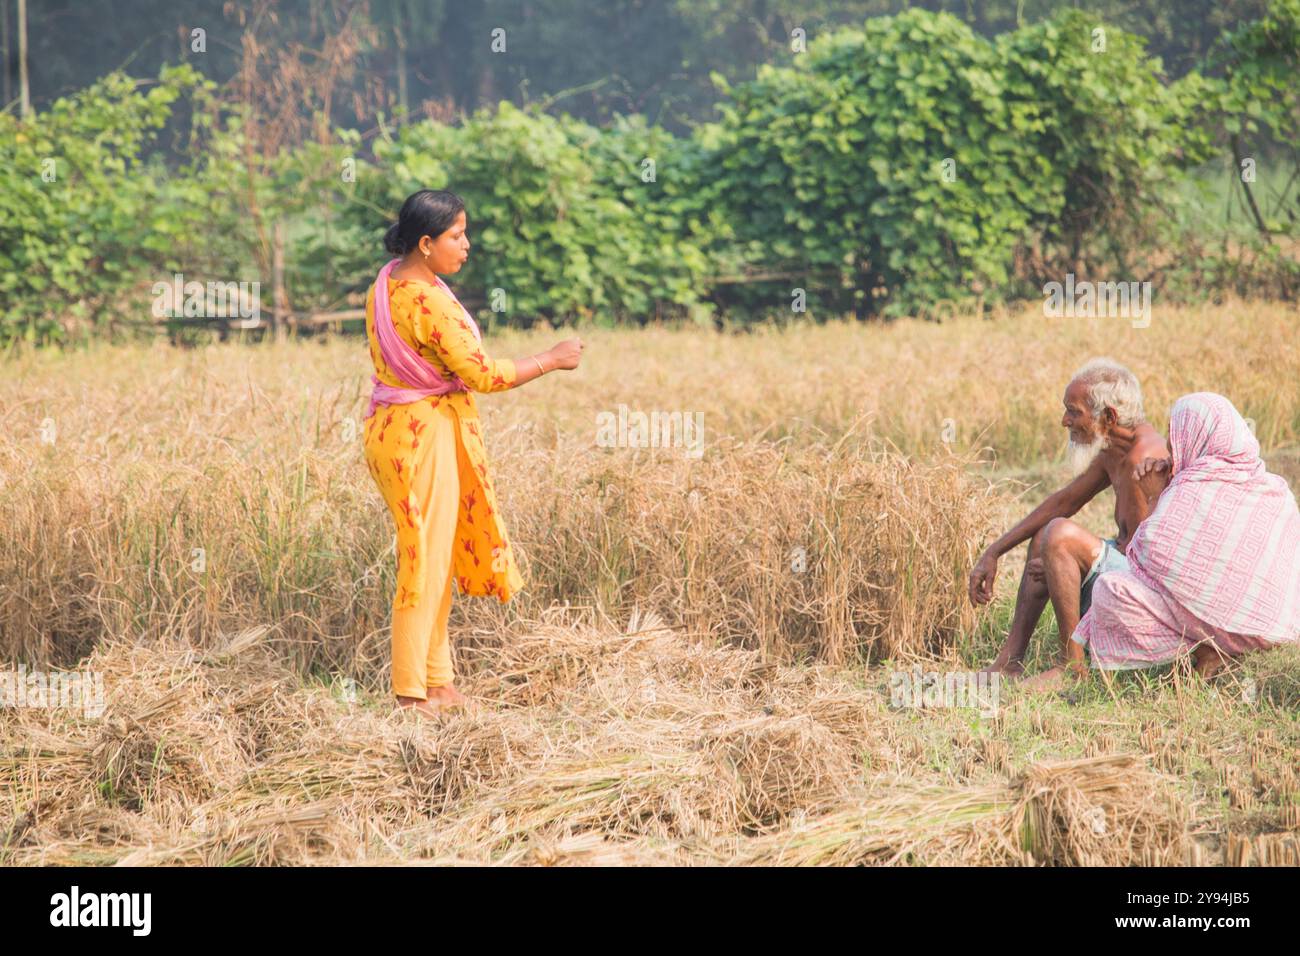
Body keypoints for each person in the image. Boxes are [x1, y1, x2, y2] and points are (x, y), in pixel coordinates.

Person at [363, 189, 584, 718]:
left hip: (392, 429)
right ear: (425, 243)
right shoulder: (430, 301)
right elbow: (483, 374)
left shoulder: (390, 281)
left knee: (433, 559)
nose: (466, 246)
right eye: (456, 236)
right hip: (423, 437)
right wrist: (550, 359)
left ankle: (438, 684)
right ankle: (411, 693)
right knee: (423, 563)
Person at [1062, 392, 1300, 682]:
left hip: (1230, 630)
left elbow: (1147, 565)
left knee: (1110, 588)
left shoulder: (1192, 488)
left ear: (1196, 440)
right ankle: (1214, 650)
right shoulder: (1276, 489)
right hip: (1279, 629)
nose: (1172, 455)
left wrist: (1154, 497)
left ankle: (1205, 652)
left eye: (1176, 445)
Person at [969, 358, 1169, 679]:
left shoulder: (1142, 459)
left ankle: (1073, 667)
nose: (1065, 421)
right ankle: (1009, 662)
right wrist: (994, 551)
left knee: (1058, 536)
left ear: (1108, 417)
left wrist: (1062, 560)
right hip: (1127, 570)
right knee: (1045, 538)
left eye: (1074, 411)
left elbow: (1147, 561)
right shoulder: (1115, 449)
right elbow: (1065, 501)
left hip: (1145, 593)